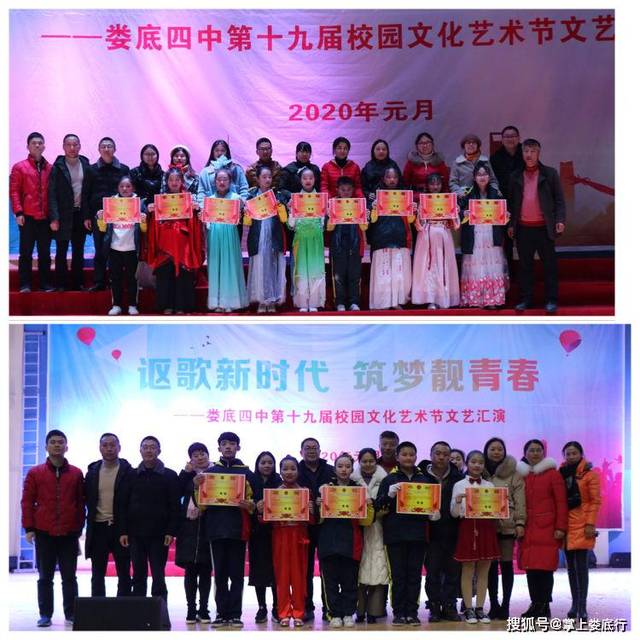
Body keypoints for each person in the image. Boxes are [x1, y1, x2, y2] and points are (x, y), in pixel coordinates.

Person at [20, 429, 85, 627]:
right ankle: (45, 614)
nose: (57, 445)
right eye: (53, 442)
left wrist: (78, 527)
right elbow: (27, 502)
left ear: (67, 447)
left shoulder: (76, 473)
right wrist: (29, 528)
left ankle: (72, 613)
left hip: (68, 533)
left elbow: (81, 503)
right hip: (44, 532)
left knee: (69, 577)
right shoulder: (35, 473)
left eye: (60, 442)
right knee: (45, 577)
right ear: (46, 447)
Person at [194, 432, 255, 628]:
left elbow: (255, 503)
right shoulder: (208, 473)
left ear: (238, 447)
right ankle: (221, 613)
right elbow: (201, 505)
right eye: (224, 444)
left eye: (232, 444)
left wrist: (251, 505)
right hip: (216, 530)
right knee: (219, 574)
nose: (228, 447)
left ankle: (235, 614)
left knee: (237, 574)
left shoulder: (247, 473)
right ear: (219, 448)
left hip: (238, 530)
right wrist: (197, 487)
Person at [375, 441, 438, 626]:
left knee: (414, 575)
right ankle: (398, 612)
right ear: (397, 457)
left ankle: (412, 612)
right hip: (395, 536)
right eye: (404, 454)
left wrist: (434, 513)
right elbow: (379, 506)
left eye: (411, 454)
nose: (408, 458)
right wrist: (389, 495)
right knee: (398, 576)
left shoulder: (426, 480)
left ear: (416, 456)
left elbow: (434, 506)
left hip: (418, 535)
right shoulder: (389, 479)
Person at [117, 436, 180, 611]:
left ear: (159, 451)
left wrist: (171, 531)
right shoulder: (131, 475)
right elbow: (122, 504)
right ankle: (138, 613)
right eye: (145, 447)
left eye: (153, 447)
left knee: (158, 575)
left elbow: (175, 506)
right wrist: (123, 531)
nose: (149, 450)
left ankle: (160, 614)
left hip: (159, 535)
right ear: (140, 451)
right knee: (138, 574)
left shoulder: (169, 475)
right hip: (135, 534)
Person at [507, 138, 566, 314]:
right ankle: (525, 299)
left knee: (549, 266)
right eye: (526, 151)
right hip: (523, 228)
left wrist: (560, 220)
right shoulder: (515, 176)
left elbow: (559, 200)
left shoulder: (550, 174)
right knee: (525, 267)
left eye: (533, 151)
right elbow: (511, 203)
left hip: (544, 228)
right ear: (522, 153)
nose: (529, 155)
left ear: (538, 153)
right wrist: (511, 224)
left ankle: (551, 300)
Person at [318, 453, 374, 628]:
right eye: (340, 466)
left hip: (351, 543)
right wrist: (319, 504)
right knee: (330, 583)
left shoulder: (359, 490)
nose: (344, 469)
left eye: (347, 466)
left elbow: (366, 522)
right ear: (334, 469)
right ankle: (334, 614)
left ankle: (348, 613)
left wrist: (368, 505)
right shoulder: (325, 489)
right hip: (328, 543)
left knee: (350, 582)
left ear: (352, 469)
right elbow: (318, 520)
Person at [257, 456, 313, 627]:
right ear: (280, 472)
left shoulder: (305, 492)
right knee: (281, 577)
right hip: (280, 536)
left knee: (299, 577)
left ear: (298, 471)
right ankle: (283, 613)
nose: (289, 472)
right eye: (285, 469)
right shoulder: (274, 493)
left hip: (299, 537)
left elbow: (312, 521)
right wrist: (262, 510)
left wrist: (312, 510)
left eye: (293, 468)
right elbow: (264, 521)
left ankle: (299, 612)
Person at [516, 439, 568, 620]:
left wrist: (561, 527)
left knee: (545, 569)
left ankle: (544, 605)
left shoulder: (553, 474)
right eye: (531, 450)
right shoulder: (521, 474)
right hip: (527, 529)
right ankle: (535, 604)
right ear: (525, 453)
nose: (535, 453)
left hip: (547, 529)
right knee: (530, 569)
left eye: (538, 450)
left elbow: (561, 502)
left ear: (544, 453)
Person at [450, 450, 501, 624]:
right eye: (473, 462)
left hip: (486, 527)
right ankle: (468, 608)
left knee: (484, 570)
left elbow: (496, 511)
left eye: (480, 462)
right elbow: (454, 514)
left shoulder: (490, 486)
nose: (477, 465)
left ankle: (480, 608)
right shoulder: (459, 485)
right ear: (467, 463)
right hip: (467, 527)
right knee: (468, 569)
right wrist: (458, 502)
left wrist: (501, 507)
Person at [418, 441, 464, 622]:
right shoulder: (421, 477)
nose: (442, 457)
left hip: (453, 531)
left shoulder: (458, 477)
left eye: (445, 454)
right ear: (431, 455)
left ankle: (450, 606)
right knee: (432, 573)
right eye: (438, 453)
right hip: (430, 533)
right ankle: (434, 606)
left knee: (453, 572)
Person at [146, 167, 204, 314]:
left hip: (183, 242)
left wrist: (196, 210)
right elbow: (154, 221)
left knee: (183, 274)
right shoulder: (161, 199)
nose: (174, 182)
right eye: (171, 179)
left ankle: (181, 306)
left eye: (177, 179)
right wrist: (151, 211)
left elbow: (196, 221)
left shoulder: (189, 199)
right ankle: (166, 305)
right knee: (165, 273)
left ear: (181, 181)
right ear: (167, 181)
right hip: (165, 241)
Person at [84, 433, 132, 598]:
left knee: (124, 572)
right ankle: (98, 608)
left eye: (113, 445)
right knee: (97, 574)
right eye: (105, 445)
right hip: (98, 527)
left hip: (121, 528)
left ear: (119, 448)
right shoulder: (92, 472)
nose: (109, 449)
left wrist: (126, 528)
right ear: (100, 448)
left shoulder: (129, 472)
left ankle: (123, 606)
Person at [483, 437, 526, 620]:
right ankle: (493, 604)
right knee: (490, 567)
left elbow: (520, 500)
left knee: (506, 566)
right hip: (486, 526)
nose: (496, 452)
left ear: (504, 451)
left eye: (499, 449)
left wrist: (520, 522)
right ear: (486, 451)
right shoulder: (479, 471)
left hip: (507, 526)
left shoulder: (514, 474)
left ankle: (506, 605)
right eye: (492, 449)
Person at [560, 441, 601, 622]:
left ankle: (583, 607)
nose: (571, 456)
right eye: (567, 454)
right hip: (566, 524)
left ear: (581, 454)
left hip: (583, 524)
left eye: (574, 453)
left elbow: (595, 501)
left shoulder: (590, 475)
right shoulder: (561, 474)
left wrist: (590, 523)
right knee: (570, 568)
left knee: (582, 568)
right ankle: (574, 604)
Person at [458, 161, 509, 309]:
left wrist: (506, 215)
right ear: (474, 177)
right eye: (479, 174)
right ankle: (475, 298)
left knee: (491, 265)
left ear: (489, 176)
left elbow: (503, 216)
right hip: (475, 234)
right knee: (475, 265)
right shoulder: (468, 194)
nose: (482, 177)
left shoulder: (496, 193)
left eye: (485, 174)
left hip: (491, 233)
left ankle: (491, 299)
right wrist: (464, 213)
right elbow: (458, 213)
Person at [81, 136, 130, 290]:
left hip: (120, 217)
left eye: (109, 146)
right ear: (99, 150)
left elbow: (129, 193)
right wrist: (87, 217)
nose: (106, 149)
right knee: (100, 249)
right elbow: (85, 194)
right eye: (103, 146)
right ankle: (99, 281)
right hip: (99, 217)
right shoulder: (91, 169)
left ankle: (116, 281)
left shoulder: (124, 169)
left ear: (115, 149)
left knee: (117, 250)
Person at [197, 167, 248, 312]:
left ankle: (230, 302)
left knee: (230, 266)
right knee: (215, 267)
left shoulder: (236, 199)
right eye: (219, 179)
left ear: (230, 181)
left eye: (225, 179)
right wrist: (203, 217)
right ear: (214, 182)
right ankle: (217, 302)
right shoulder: (209, 201)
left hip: (230, 236)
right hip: (214, 237)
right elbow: (206, 222)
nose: (222, 182)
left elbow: (243, 218)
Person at [10, 131, 54, 293]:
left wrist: (53, 217)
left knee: (45, 253)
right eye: (34, 143)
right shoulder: (19, 167)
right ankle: (25, 284)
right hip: (27, 217)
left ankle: (45, 284)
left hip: (45, 218)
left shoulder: (50, 168)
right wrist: (18, 212)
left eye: (40, 143)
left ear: (44, 146)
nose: (37, 145)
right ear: (28, 146)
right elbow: (14, 192)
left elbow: (53, 194)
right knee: (26, 253)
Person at [97, 175, 147, 316]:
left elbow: (144, 230)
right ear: (118, 188)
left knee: (132, 279)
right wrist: (100, 219)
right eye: (122, 186)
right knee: (115, 278)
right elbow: (103, 229)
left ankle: (132, 305)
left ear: (133, 188)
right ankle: (116, 305)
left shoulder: (139, 204)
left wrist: (143, 221)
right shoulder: (111, 202)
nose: (125, 189)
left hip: (132, 249)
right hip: (114, 248)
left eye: (128, 186)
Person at [298, 437, 335, 621]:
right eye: (307, 448)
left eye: (314, 448)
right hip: (303, 527)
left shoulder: (331, 470)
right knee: (305, 568)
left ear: (320, 451)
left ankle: (329, 607)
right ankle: (306, 607)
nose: (311, 451)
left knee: (327, 568)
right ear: (301, 452)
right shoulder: (295, 470)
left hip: (326, 526)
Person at [175, 442, 213, 625]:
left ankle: (204, 609)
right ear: (190, 459)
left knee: (206, 571)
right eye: (195, 455)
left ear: (208, 455)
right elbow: (176, 492)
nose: (200, 457)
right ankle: (191, 609)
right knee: (190, 571)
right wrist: (190, 480)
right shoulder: (186, 475)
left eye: (202, 453)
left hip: (209, 526)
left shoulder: (215, 473)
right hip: (188, 528)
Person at [48, 134, 91, 291]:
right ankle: (61, 284)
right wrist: (54, 217)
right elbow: (52, 194)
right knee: (61, 251)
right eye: (69, 145)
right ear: (63, 146)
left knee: (78, 250)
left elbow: (88, 192)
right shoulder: (57, 167)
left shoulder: (86, 164)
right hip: (63, 215)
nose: (72, 148)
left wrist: (87, 216)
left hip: (80, 215)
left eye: (75, 144)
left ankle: (77, 283)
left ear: (80, 146)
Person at [351, 448, 389, 623]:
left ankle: (374, 611)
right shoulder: (352, 481)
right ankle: (359, 611)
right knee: (358, 570)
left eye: (371, 461)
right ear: (359, 462)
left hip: (379, 529)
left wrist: (375, 511)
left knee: (379, 569)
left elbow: (388, 505)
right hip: (357, 530)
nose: (368, 464)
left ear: (376, 461)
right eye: (364, 461)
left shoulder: (385, 480)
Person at [245, 165, 290, 313]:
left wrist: (280, 207)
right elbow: (247, 223)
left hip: (273, 236)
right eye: (264, 177)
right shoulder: (251, 196)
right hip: (258, 237)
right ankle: (261, 301)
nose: (267, 180)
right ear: (257, 179)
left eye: (269, 177)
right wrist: (247, 213)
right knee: (260, 268)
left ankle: (272, 300)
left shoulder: (277, 195)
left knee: (272, 267)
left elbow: (284, 220)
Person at [411, 172, 460, 309]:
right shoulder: (423, 201)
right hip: (427, 236)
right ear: (427, 185)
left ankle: (443, 298)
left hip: (443, 234)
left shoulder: (447, 200)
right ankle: (430, 298)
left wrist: (455, 212)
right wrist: (419, 213)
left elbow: (455, 225)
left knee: (443, 264)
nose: (435, 186)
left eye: (438, 183)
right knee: (428, 265)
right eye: (432, 184)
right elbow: (418, 226)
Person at [367, 167, 414, 310]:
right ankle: (382, 303)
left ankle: (396, 302)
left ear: (398, 179)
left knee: (399, 273)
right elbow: (372, 220)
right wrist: (374, 208)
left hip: (399, 237)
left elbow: (410, 220)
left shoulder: (405, 196)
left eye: (394, 177)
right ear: (384, 178)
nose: (392, 180)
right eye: (388, 177)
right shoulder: (375, 196)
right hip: (381, 239)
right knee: (383, 273)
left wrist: (413, 209)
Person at [249, 452, 281, 623]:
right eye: (263, 462)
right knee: (258, 570)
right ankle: (262, 607)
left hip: (276, 531)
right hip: (257, 533)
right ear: (257, 464)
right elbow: (244, 502)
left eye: (270, 462)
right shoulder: (250, 480)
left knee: (276, 570)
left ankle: (277, 606)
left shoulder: (279, 481)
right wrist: (254, 506)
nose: (267, 465)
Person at [326, 175, 367, 312]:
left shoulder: (358, 204)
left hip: (354, 245)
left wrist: (364, 216)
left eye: (349, 189)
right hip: (338, 246)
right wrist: (331, 216)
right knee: (338, 277)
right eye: (343, 190)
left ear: (353, 190)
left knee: (354, 276)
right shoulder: (333, 204)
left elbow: (364, 227)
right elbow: (329, 228)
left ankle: (354, 302)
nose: (346, 192)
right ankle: (340, 303)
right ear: (337, 190)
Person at [288, 167, 326, 312]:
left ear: (315, 180)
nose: (308, 181)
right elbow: (291, 225)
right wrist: (290, 209)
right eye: (305, 178)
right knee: (301, 270)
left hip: (316, 239)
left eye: (310, 178)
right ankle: (302, 302)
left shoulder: (321, 199)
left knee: (316, 269)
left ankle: (315, 302)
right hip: (300, 240)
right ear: (300, 180)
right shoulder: (295, 199)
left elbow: (322, 224)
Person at [490, 126, 524, 265]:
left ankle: (525, 272)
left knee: (524, 240)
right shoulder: (495, 157)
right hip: (504, 203)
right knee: (507, 241)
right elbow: (492, 181)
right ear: (502, 139)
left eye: (513, 136)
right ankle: (509, 271)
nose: (510, 139)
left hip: (524, 202)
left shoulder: (526, 153)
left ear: (519, 138)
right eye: (507, 136)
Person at [402, 131, 451, 198]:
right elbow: (405, 183)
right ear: (416, 146)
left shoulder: (439, 161)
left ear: (432, 145)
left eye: (428, 142)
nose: (425, 146)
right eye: (421, 143)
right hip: (416, 197)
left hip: (436, 197)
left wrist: (445, 198)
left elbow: (445, 183)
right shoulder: (411, 162)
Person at [360, 139, 402, 205]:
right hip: (373, 200)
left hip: (391, 198)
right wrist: (368, 194)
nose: (381, 151)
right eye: (378, 149)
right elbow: (363, 185)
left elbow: (401, 183)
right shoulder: (368, 166)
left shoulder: (393, 165)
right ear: (373, 151)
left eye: (384, 149)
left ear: (387, 151)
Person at [129, 144, 163, 208]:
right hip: (140, 208)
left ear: (157, 155)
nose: (150, 157)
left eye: (153, 154)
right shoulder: (134, 172)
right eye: (147, 154)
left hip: (159, 207)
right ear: (142, 156)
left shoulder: (163, 174)